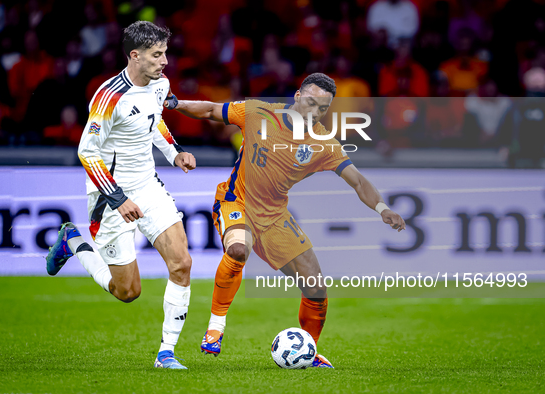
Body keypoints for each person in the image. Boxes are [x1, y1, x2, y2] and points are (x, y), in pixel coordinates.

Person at [164, 73, 406, 368]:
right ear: (298, 96)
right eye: (311, 102)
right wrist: (175, 103)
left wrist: (382, 208)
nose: (314, 111)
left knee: (316, 287)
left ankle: (308, 349)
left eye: (322, 108)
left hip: (275, 215)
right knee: (238, 249)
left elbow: (357, 181)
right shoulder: (258, 112)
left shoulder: (323, 144)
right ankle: (215, 328)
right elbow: (212, 110)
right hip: (235, 201)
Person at [45, 21, 196, 370]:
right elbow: (87, 152)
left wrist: (174, 152)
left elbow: (154, 121)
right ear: (135, 56)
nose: (165, 62)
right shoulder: (108, 96)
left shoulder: (160, 85)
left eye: (165, 53)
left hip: (148, 185)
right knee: (127, 291)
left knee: (182, 263)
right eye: (157, 55)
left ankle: (166, 353)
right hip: (110, 195)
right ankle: (73, 243)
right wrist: (116, 198)